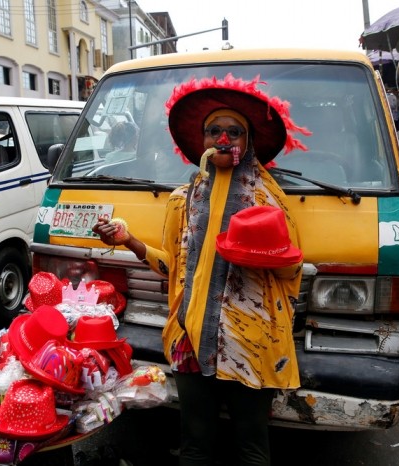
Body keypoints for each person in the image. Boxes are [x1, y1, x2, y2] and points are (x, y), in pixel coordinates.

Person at [92, 74, 311, 465]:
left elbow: (290, 273)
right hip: (189, 340)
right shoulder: (182, 199)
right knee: (194, 443)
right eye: (214, 131)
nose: (223, 140)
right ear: (203, 141)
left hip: (250, 344)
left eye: (233, 132)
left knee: (251, 446)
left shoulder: (269, 201)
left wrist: (264, 256)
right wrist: (127, 240)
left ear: (249, 142)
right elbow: (173, 267)